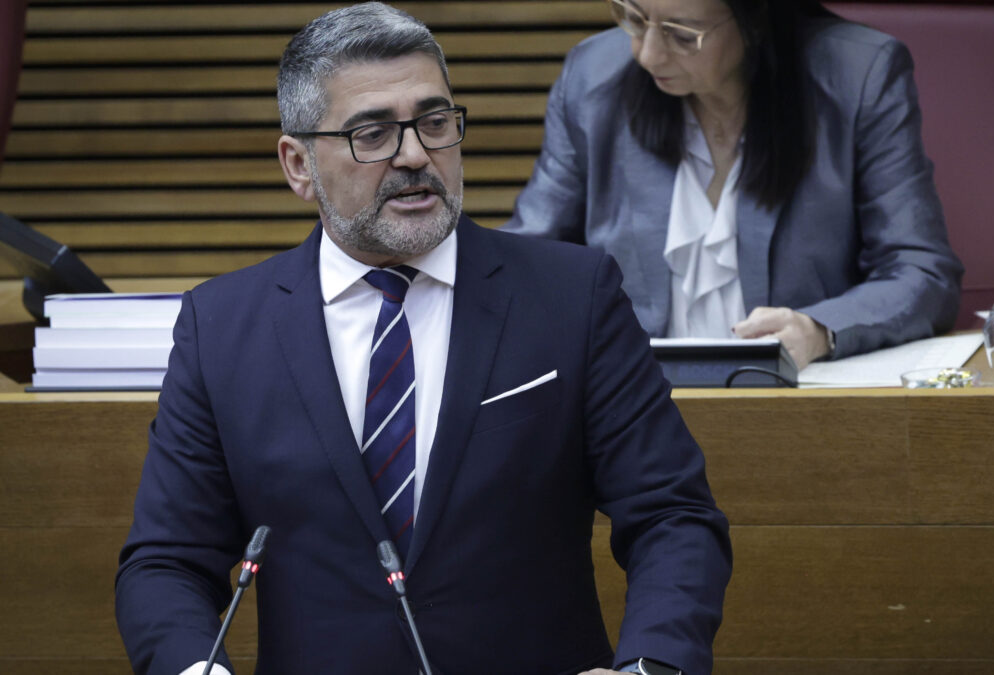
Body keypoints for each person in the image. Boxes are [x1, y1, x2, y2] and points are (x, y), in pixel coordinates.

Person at [113, 4, 732, 675]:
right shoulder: (223, 326)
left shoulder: (572, 296)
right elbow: (167, 562)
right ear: (298, 165)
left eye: (434, 123)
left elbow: (673, 517)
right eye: (372, 133)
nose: (414, 155)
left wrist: (649, 666)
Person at [504, 0, 964, 370]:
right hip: (627, 410)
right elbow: (527, 261)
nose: (647, 55)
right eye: (635, 18)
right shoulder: (592, 77)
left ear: (756, 18)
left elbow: (921, 273)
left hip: (799, 408)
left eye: (683, 35)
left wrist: (819, 330)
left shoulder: (859, 75)